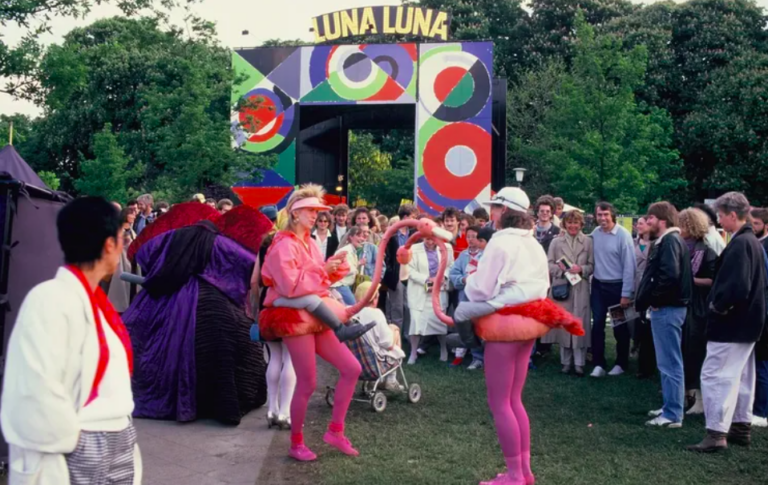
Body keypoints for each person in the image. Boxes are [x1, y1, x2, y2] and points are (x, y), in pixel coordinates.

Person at [1, 197, 141, 484]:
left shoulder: (95, 303)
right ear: (109, 245)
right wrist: (75, 439)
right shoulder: (48, 299)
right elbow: (36, 388)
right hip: (78, 442)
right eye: (120, 237)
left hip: (116, 435)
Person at [450, 187, 569, 485]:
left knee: (500, 401)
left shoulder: (500, 244)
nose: (491, 213)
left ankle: (515, 475)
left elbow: (480, 289)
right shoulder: (533, 244)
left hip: (505, 323)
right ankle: (524, 472)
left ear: (504, 211)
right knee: (514, 399)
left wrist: (472, 278)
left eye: (494, 208)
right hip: (530, 322)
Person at [124, 204, 269, 425]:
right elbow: (245, 266)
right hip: (213, 301)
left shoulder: (170, 238)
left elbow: (144, 255)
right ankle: (223, 404)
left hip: (165, 295)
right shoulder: (221, 242)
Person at [260, 184, 368, 462]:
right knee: (307, 383)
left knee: (352, 368)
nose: (317, 216)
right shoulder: (283, 245)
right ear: (296, 213)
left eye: (319, 211)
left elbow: (316, 283)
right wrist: (324, 270)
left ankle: (335, 431)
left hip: (314, 317)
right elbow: (289, 286)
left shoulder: (307, 243)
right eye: (311, 210)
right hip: (294, 319)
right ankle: (296, 442)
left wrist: (333, 267)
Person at [688, 192, 766, 452]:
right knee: (742, 376)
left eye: (721, 215)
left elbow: (736, 286)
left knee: (716, 375)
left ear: (733, 215)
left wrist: (717, 306)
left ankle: (716, 434)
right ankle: (740, 427)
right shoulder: (751, 241)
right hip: (748, 324)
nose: (719, 220)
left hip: (732, 324)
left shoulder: (741, 244)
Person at [636, 202, 692, 428]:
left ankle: (672, 413)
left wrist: (655, 301)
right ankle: (671, 406)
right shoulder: (670, 241)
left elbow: (669, 275)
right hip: (669, 308)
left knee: (670, 363)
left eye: (650, 218)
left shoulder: (669, 241)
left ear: (661, 220)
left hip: (668, 309)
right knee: (668, 362)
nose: (646, 222)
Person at [542, 210, 594, 376]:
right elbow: (548, 265)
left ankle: (579, 363)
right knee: (565, 325)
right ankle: (565, 362)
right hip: (562, 288)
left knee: (580, 323)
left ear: (581, 224)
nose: (573, 226)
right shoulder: (556, 243)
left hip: (581, 289)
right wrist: (563, 270)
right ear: (564, 224)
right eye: (569, 223)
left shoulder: (588, 242)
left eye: (576, 223)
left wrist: (582, 269)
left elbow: (593, 265)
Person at [678, 208, 717, 416]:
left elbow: (713, 280)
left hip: (698, 307)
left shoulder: (707, 251)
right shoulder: (680, 246)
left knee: (694, 352)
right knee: (683, 350)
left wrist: (688, 280)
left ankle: (697, 398)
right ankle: (685, 394)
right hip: (682, 304)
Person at [590, 201, 636, 377]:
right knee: (598, 325)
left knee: (619, 328)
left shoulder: (623, 236)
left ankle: (621, 363)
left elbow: (629, 266)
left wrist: (626, 294)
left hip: (617, 288)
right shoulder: (595, 233)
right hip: (599, 287)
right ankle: (598, 363)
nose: (602, 218)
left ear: (612, 215)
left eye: (606, 214)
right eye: (599, 215)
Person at [407, 235, 454, 364]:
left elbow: (450, 266)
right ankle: (413, 353)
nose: (430, 242)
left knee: (440, 321)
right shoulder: (414, 249)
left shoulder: (447, 248)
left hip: (439, 290)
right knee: (416, 322)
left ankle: (443, 350)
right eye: (427, 239)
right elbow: (409, 270)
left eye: (432, 239)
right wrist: (427, 279)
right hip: (419, 290)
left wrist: (442, 276)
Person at [353, 282, 406, 391]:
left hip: (357, 359)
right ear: (374, 298)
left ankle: (377, 382)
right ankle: (391, 380)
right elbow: (388, 344)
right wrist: (395, 331)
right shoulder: (376, 314)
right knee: (394, 329)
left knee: (390, 329)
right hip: (375, 361)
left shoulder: (352, 313)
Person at [449, 225, 484, 369]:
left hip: (480, 297)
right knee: (466, 327)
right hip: (465, 296)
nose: (470, 239)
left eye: (474, 236)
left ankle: (479, 357)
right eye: (468, 236)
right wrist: (462, 280)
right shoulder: (463, 255)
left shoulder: (486, 254)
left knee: (479, 327)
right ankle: (465, 354)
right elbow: (453, 273)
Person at [383, 204, 419, 331]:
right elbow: (386, 256)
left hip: (411, 274)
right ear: (405, 217)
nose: (415, 220)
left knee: (409, 305)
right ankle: (396, 333)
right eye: (413, 217)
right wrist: (390, 272)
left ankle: (408, 334)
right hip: (396, 275)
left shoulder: (415, 234)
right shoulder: (392, 235)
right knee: (397, 306)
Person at [633, 216, 656, 379]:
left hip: (648, 286)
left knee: (646, 324)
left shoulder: (656, 244)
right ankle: (635, 348)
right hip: (634, 283)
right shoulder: (632, 242)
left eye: (643, 223)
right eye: (638, 223)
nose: (639, 226)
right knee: (632, 321)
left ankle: (647, 363)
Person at [332, 226, 366, 305]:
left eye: (362, 236)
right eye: (358, 236)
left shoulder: (352, 250)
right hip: (340, 285)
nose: (361, 239)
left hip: (344, 285)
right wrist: (359, 264)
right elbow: (347, 269)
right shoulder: (346, 250)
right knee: (353, 307)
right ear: (350, 237)